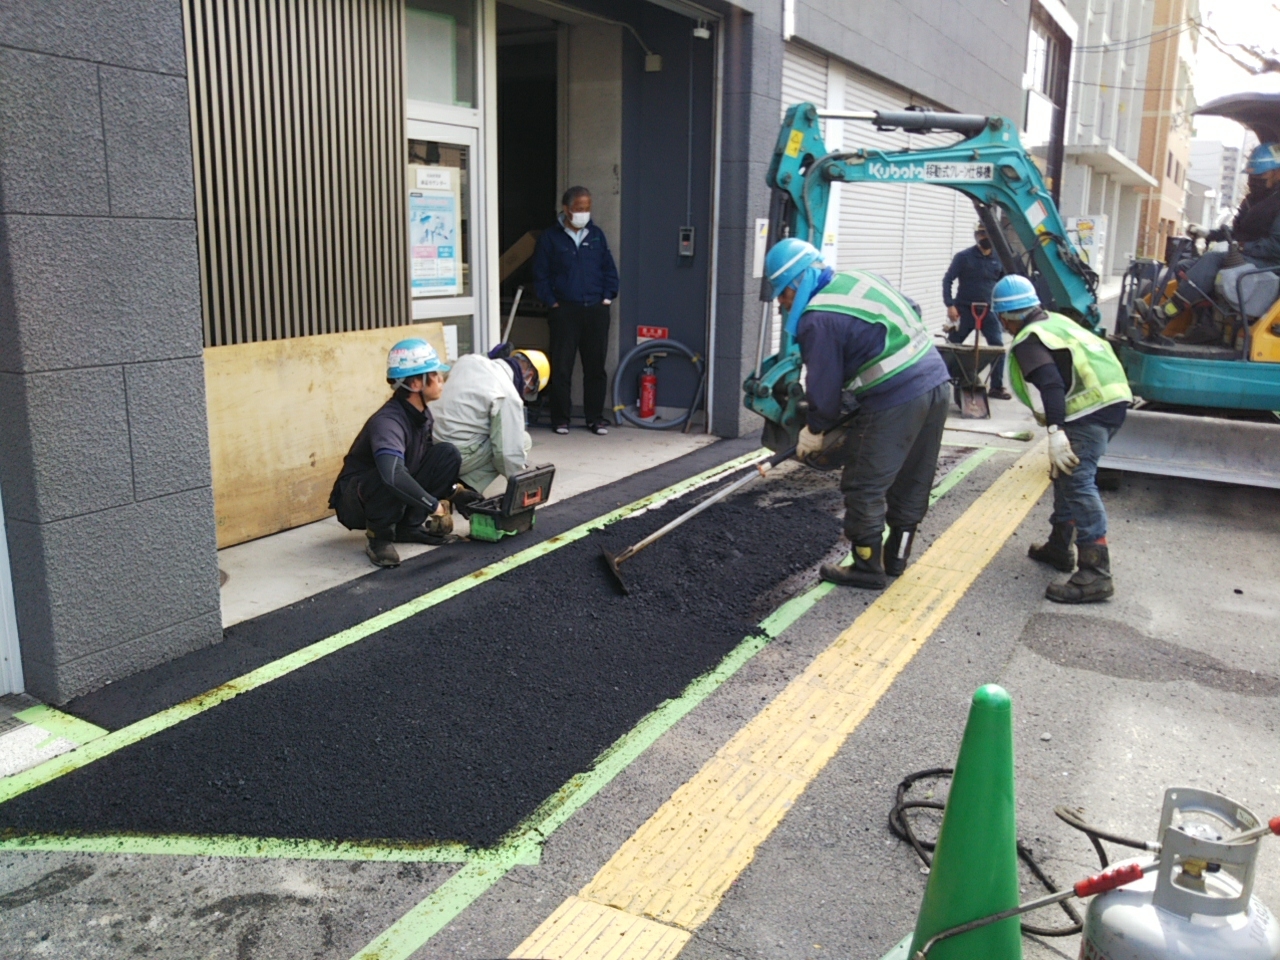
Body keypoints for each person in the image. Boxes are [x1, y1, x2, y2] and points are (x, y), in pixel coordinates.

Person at [764, 238, 952, 590]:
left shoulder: (817, 319)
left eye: (782, 294)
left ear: (797, 283)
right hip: (937, 381)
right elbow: (912, 308)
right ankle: (896, 558)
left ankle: (867, 567)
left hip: (897, 397)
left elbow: (824, 392)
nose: (781, 304)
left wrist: (814, 430)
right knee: (914, 475)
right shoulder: (860, 279)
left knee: (865, 481)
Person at [991, 275, 1133, 603]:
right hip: (1113, 402)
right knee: (1066, 473)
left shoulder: (1029, 339)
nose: (1004, 325)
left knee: (1079, 483)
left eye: (1002, 319)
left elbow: (1052, 385)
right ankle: (1058, 546)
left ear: (1006, 316)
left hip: (1088, 413)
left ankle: (1095, 573)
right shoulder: (1056, 322)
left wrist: (1055, 432)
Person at [329, 339, 462, 568]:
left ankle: (408, 527)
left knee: (447, 454)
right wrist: (434, 506)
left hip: (386, 487)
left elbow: (425, 463)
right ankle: (378, 537)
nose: (441, 379)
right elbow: (392, 475)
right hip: (356, 502)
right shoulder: (388, 421)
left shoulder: (422, 414)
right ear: (416, 383)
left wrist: (455, 492)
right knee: (391, 473)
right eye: (434, 374)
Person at [1169, 142, 1280, 344]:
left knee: (1212, 260)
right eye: (1251, 176)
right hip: (1246, 258)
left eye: (1260, 176)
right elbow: (1235, 232)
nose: (1254, 180)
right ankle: (1206, 326)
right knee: (1184, 267)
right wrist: (1209, 234)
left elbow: (1275, 246)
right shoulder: (1251, 201)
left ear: (1277, 173)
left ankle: (1166, 312)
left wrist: (1243, 247)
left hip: (1270, 264)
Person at [532, 186, 619, 436]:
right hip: (564, 310)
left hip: (595, 309)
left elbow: (608, 269)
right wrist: (552, 302)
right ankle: (561, 419)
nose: (584, 213)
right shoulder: (550, 238)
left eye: (587, 208)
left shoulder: (596, 235)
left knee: (595, 367)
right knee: (562, 367)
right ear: (567, 209)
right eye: (579, 208)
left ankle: (595, 418)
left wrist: (607, 296)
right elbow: (540, 274)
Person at [431, 347, 550, 496]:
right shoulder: (508, 394)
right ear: (529, 377)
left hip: (430, 444)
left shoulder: (468, 360)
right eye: (529, 391)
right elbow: (508, 454)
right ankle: (466, 487)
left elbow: (446, 367)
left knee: (489, 429)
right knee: (522, 440)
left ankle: (457, 487)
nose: (524, 395)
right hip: (455, 455)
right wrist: (521, 485)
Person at [942, 222, 1010, 398]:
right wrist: (950, 305)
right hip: (965, 310)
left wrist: (1004, 310)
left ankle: (996, 387)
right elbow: (948, 280)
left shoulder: (999, 259)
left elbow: (1004, 284)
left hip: (988, 311)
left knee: (998, 348)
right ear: (976, 236)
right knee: (952, 348)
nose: (985, 237)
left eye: (988, 234)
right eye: (981, 234)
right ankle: (940, 381)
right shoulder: (964, 257)